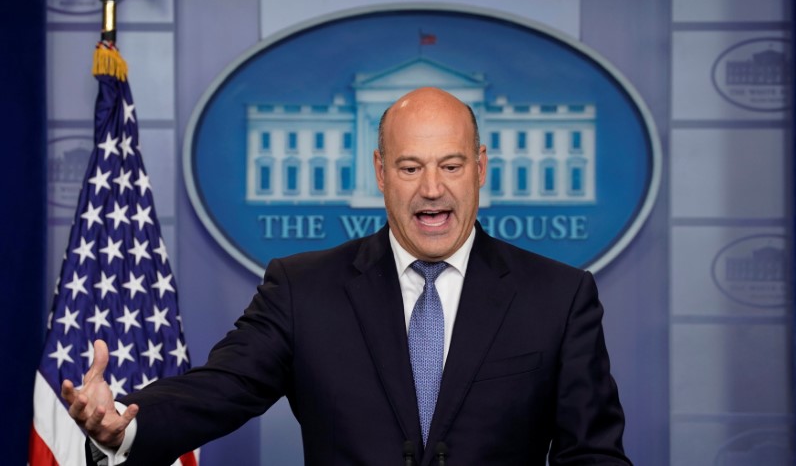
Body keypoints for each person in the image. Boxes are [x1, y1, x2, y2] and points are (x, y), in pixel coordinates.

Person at [63, 87, 631, 465]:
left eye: (451, 166)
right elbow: (219, 389)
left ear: (479, 168)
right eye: (410, 167)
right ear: (381, 172)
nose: (432, 188)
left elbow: (594, 455)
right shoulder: (303, 290)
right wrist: (125, 427)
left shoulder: (558, 297)